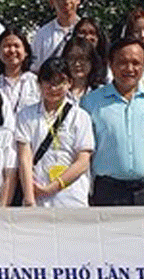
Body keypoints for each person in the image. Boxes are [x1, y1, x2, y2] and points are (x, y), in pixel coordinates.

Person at [81, 38, 144, 206]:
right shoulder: (90, 102)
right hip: (108, 191)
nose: (129, 69)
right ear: (111, 64)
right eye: (122, 63)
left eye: (136, 63)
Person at [15, 58, 94, 207]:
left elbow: (83, 162)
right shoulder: (25, 115)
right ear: (39, 83)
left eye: (60, 82)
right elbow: (24, 157)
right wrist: (29, 198)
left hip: (72, 197)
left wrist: (52, 187)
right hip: (38, 197)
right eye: (48, 82)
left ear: (70, 83)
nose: (53, 88)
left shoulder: (80, 116)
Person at [31, 0, 82, 71]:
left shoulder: (87, 31)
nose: (66, 2)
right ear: (51, 2)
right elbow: (36, 68)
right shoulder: (42, 35)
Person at [0, 29, 39, 119]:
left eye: (16, 46)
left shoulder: (36, 82)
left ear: (26, 52)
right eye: (6, 46)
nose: (12, 50)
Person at [61, 33, 106, 102]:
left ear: (92, 60)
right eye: (72, 58)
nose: (77, 64)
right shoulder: (57, 91)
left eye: (82, 58)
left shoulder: (102, 92)